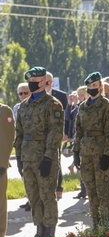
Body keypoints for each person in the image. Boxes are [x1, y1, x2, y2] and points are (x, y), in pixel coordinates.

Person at [14, 67, 64, 237]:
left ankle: (50, 230)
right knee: (33, 195)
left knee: (47, 195)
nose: (31, 83)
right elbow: (19, 132)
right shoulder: (23, 106)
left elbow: (55, 133)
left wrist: (49, 157)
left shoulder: (53, 104)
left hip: (44, 158)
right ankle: (39, 228)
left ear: (44, 82)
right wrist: (19, 156)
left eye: (35, 80)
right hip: (27, 157)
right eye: (30, 80)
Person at [73, 72, 109, 229]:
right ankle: (95, 223)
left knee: (102, 190)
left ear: (100, 87)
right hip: (86, 154)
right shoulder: (83, 107)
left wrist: (106, 153)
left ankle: (105, 225)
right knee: (91, 190)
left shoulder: (107, 106)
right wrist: (75, 152)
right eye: (90, 86)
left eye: (95, 86)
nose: (92, 88)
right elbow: (78, 130)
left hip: (101, 154)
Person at [46, 72, 68, 200]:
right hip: (43, 134)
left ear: (52, 82)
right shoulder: (37, 95)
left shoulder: (60, 95)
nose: (47, 83)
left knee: (56, 160)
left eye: (49, 81)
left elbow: (65, 117)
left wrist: (64, 132)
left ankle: (58, 187)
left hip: (57, 133)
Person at [13, 82, 32, 211]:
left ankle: (33, 201)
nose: (23, 95)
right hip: (20, 144)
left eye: (26, 92)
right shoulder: (16, 108)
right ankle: (29, 198)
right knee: (23, 173)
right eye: (21, 93)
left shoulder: (35, 106)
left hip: (33, 145)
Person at [0, 102, 15, 237]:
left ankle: (0, 235)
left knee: (0, 201)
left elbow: (9, 138)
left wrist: (3, 162)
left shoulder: (4, 110)